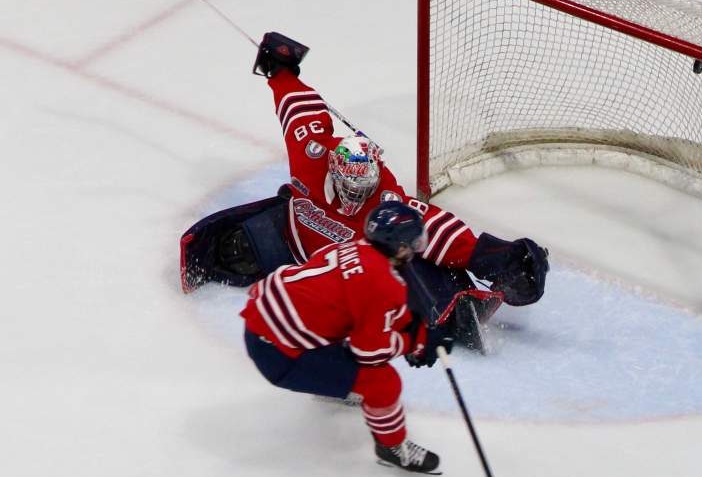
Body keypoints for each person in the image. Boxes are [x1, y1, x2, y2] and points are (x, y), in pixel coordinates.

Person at [181, 32, 548, 345]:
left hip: (346, 271)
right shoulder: (311, 153)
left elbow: (439, 231)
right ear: (335, 171)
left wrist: (503, 258)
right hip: (288, 237)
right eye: (350, 189)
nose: (357, 198)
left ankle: (453, 301)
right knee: (226, 252)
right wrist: (281, 69)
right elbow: (296, 106)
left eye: (364, 188)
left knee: (407, 270)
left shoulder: (387, 202)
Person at [242, 201, 447, 473]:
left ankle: (337, 385)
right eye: (413, 243)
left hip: (263, 322)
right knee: (383, 383)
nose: (415, 249)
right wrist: (416, 342)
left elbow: (364, 309)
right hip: (279, 355)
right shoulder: (382, 283)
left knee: (341, 328)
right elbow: (369, 352)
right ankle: (392, 448)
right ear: (399, 247)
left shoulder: (352, 247)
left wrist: (414, 328)